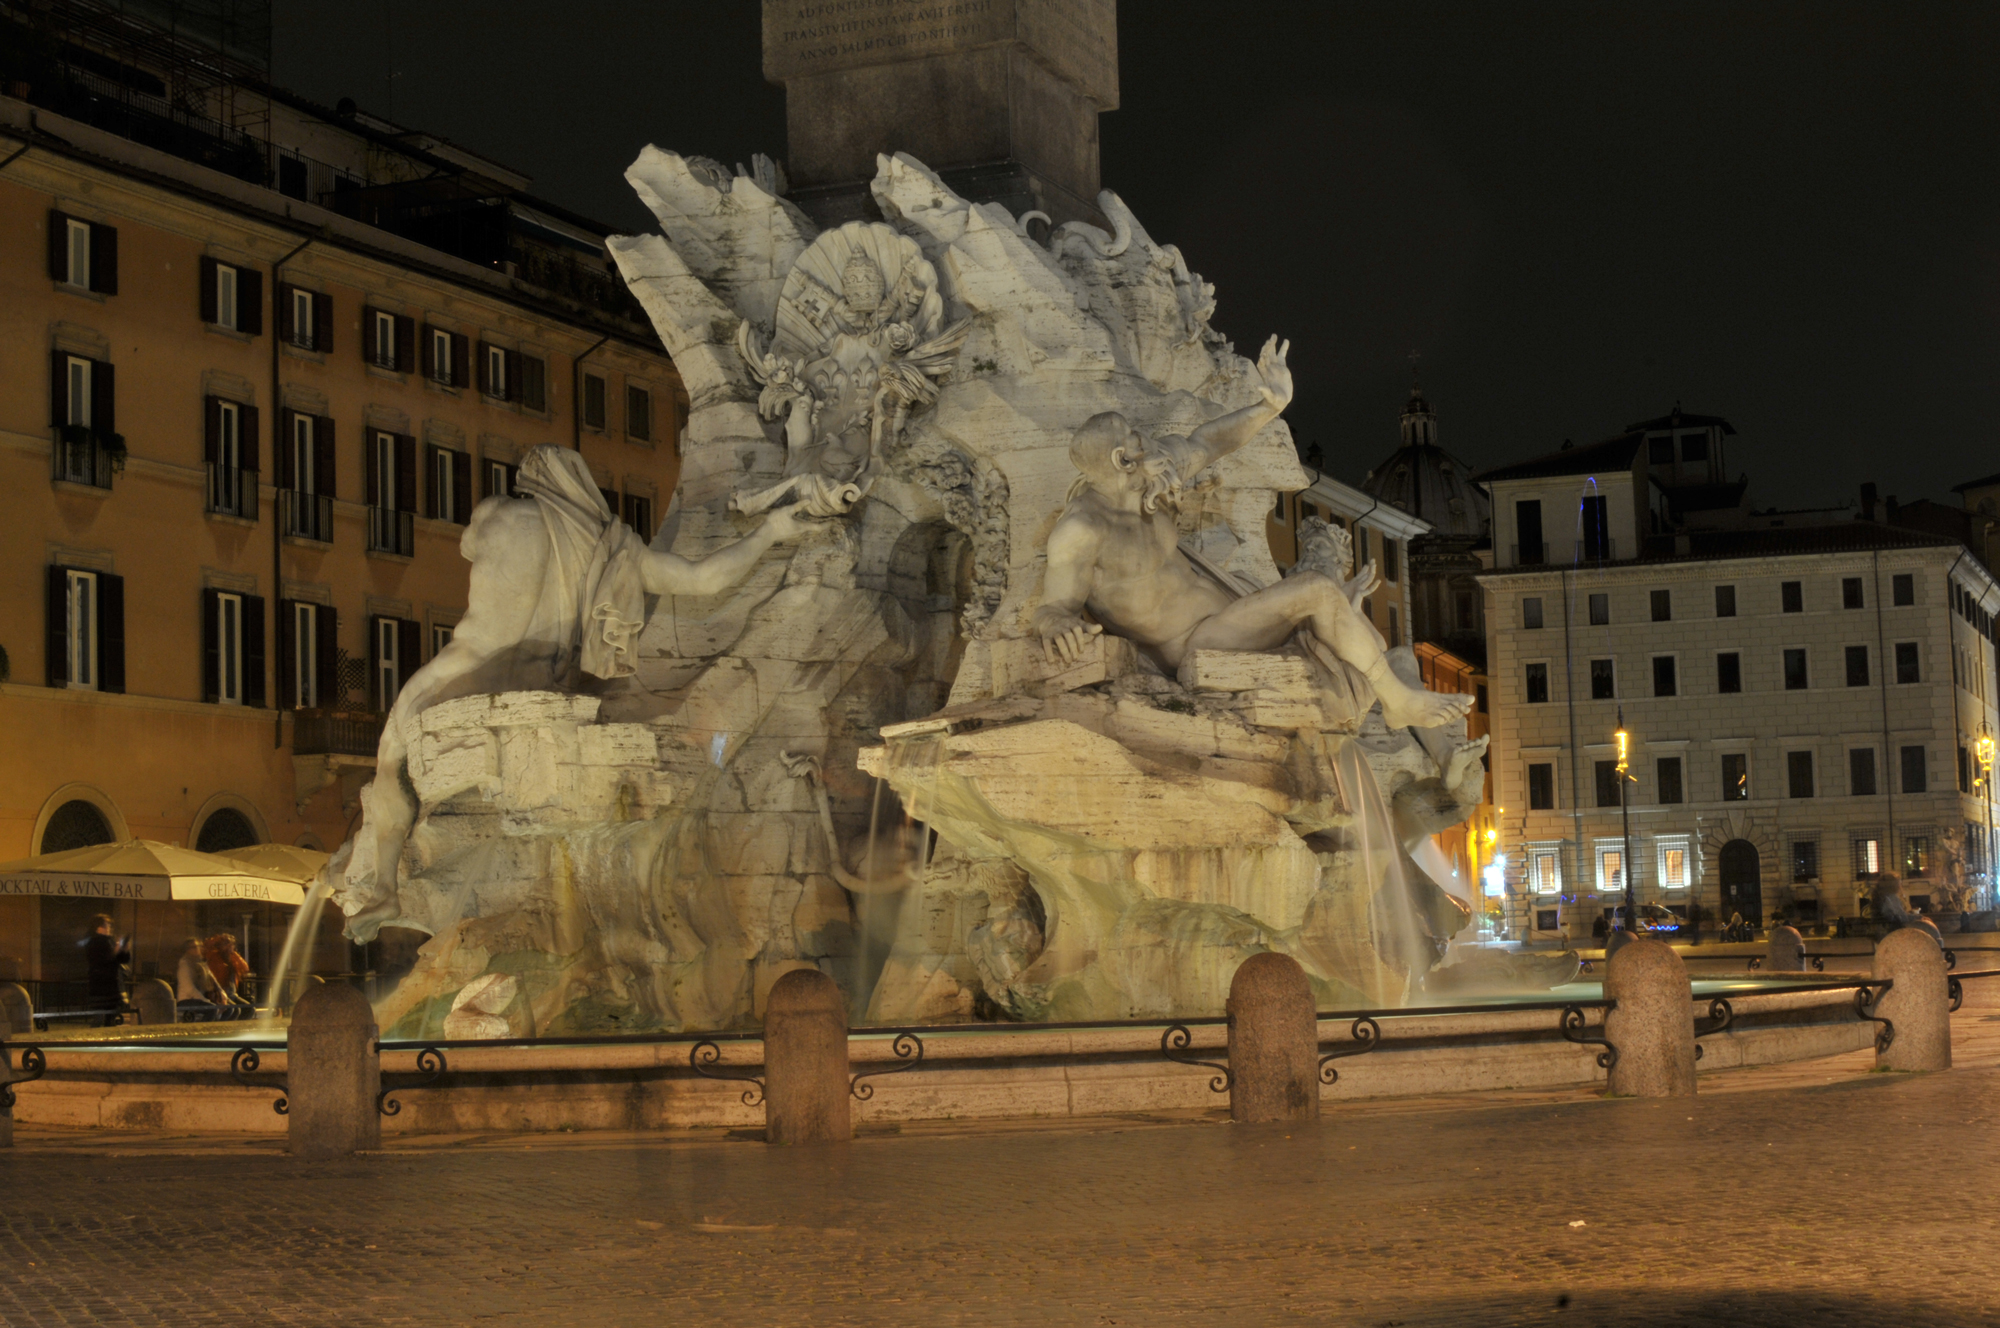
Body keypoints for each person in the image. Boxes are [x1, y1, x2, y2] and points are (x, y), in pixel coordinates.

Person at [1033, 336, 1471, 730]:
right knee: (1318, 590)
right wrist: (1056, 623)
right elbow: (1056, 605)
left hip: (1230, 607)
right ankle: (1398, 703)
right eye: (1134, 438)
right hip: (1193, 643)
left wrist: (1269, 407)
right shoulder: (1082, 529)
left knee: (1352, 622)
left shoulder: (1150, 477)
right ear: (1120, 460)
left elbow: (1209, 442)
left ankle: (1392, 686)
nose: (1144, 439)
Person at [82, 914, 129, 1020]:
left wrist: (124, 950)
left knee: (111, 1016)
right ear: (99, 927)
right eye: (106, 925)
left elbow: (121, 960)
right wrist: (116, 950)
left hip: (112, 986)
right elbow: (103, 960)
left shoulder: (109, 941)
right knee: (100, 1018)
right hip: (101, 986)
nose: (109, 928)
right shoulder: (94, 942)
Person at [174, 938, 221, 1022]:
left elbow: (211, 976)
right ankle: (202, 1030)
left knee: (231, 1009)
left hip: (198, 998)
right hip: (187, 1000)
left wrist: (220, 992)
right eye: (194, 947)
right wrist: (204, 1000)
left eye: (198, 946)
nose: (197, 949)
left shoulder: (199, 963)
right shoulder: (185, 966)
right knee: (212, 1009)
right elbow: (189, 988)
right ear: (187, 950)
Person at [203, 933, 252, 1011]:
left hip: (231, 993)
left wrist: (234, 953)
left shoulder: (232, 958)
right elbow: (206, 947)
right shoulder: (214, 956)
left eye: (231, 945)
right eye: (225, 944)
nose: (228, 947)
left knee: (249, 1009)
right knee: (234, 1010)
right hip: (218, 994)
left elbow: (245, 968)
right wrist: (218, 939)